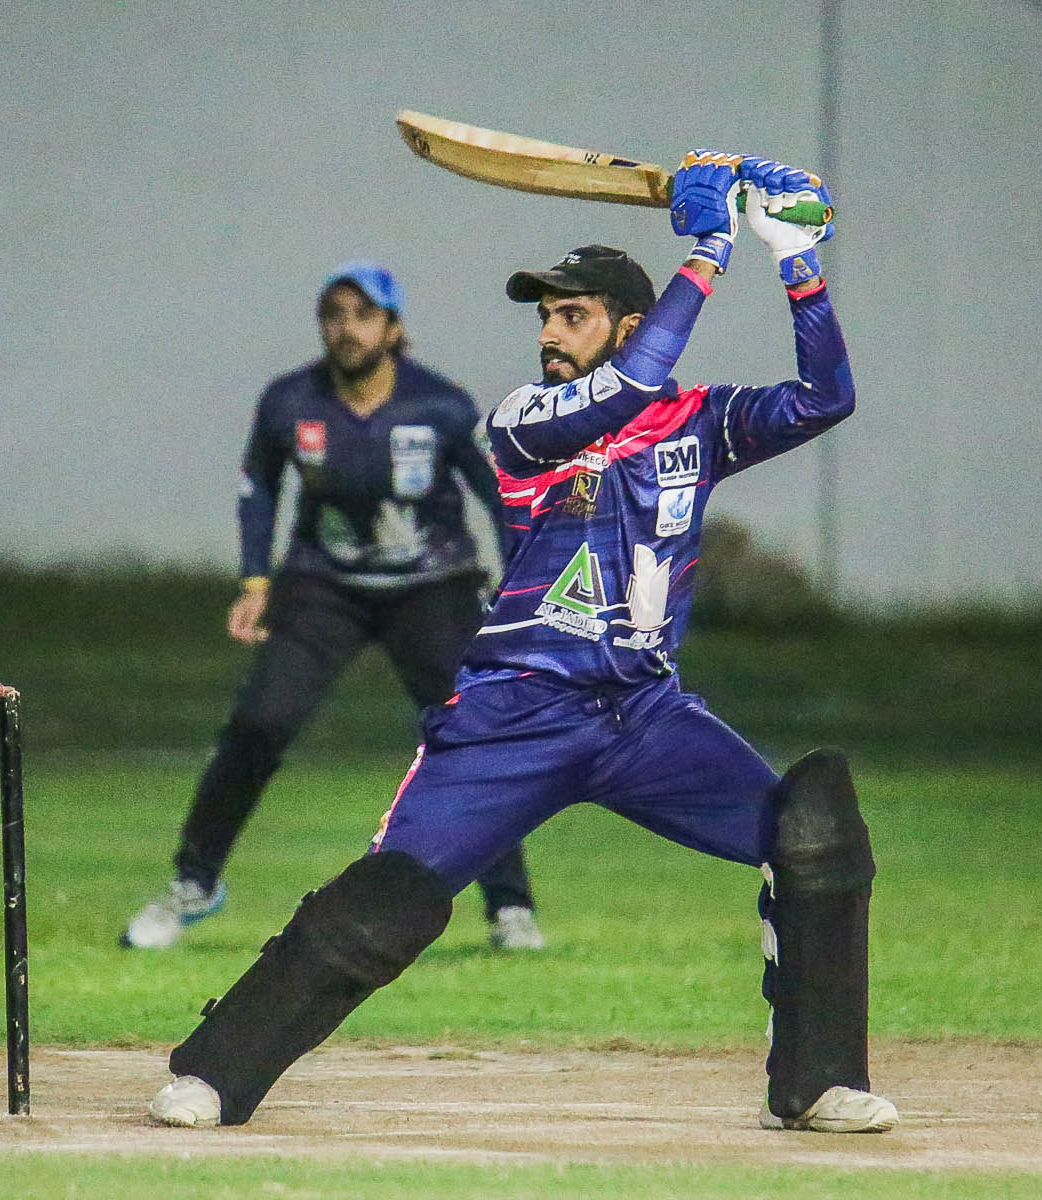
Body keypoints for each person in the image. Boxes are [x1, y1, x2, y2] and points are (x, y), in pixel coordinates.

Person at [145, 152, 898, 1134]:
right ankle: (214, 1073)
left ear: (627, 323)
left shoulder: (699, 422)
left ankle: (814, 1083)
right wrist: (710, 250)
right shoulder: (522, 421)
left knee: (811, 828)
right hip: (512, 712)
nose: (547, 333)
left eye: (570, 315)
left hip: (643, 717)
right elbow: (627, 389)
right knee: (390, 899)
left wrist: (794, 260)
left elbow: (824, 398)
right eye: (543, 315)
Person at [120, 261, 544, 952]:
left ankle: (510, 907)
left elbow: (501, 495)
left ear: (394, 328)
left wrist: (520, 583)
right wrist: (255, 583)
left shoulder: (440, 406)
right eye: (334, 315)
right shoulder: (291, 401)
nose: (347, 329)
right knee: (258, 723)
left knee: (474, 733)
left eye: (363, 315)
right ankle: (191, 884)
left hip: (433, 585)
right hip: (325, 587)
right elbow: (259, 487)